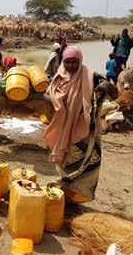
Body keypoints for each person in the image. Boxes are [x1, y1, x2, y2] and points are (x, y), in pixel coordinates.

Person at [44, 46, 103, 203]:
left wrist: (106, 87)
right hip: (64, 127)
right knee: (65, 160)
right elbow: (49, 93)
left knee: (89, 160)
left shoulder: (92, 77)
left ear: (80, 60)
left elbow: (112, 93)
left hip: (85, 128)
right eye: (67, 62)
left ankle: (79, 196)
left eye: (74, 62)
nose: (70, 66)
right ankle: (65, 193)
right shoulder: (59, 76)